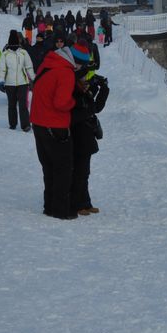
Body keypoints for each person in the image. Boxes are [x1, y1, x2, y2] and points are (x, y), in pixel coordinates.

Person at [30, 35, 77, 219]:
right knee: (63, 168)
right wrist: (73, 102)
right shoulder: (65, 72)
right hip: (55, 126)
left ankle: (49, 206)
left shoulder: (46, 65)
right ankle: (61, 209)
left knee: (48, 167)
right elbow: (61, 102)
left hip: (38, 123)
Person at [70, 38, 108, 216]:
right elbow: (82, 110)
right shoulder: (72, 84)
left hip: (85, 134)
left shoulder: (81, 85)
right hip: (77, 134)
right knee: (79, 170)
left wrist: (103, 90)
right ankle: (78, 203)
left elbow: (95, 108)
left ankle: (85, 202)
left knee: (84, 171)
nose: (86, 75)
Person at [0, 30, 35, 132]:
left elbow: (29, 67)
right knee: (12, 104)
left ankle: (25, 125)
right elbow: (2, 69)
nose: (14, 46)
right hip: (9, 83)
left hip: (22, 83)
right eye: (12, 44)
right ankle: (13, 123)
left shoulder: (23, 53)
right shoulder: (5, 54)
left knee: (23, 105)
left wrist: (33, 79)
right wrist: (1, 81)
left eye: (15, 44)